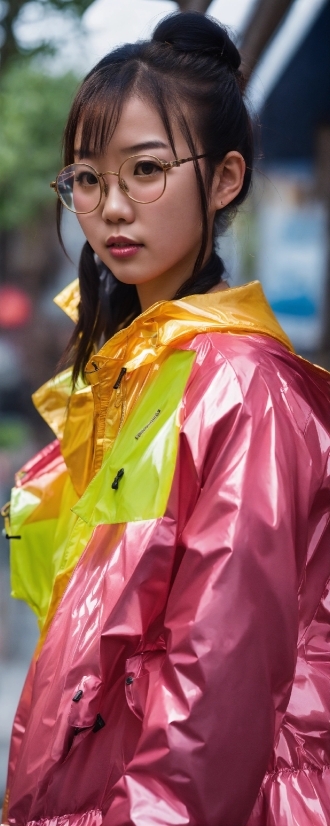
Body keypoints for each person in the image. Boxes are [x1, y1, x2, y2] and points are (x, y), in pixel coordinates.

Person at [2, 11, 330, 826]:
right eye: (86, 177)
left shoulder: (242, 392)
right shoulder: (138, 376)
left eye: (144, 170)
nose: (111, 207)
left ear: (224, 180)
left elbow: (210, 700)